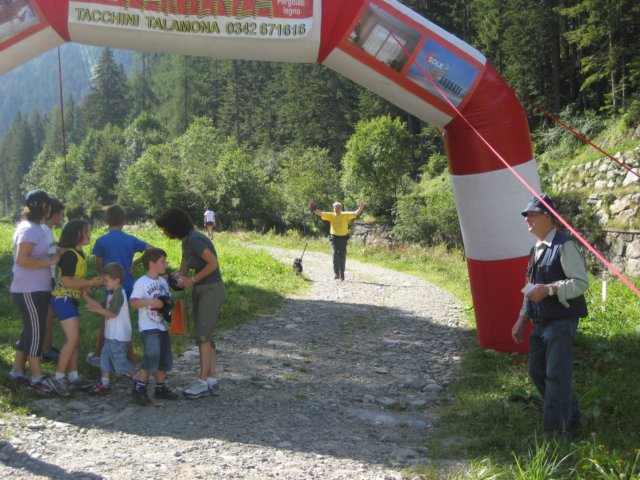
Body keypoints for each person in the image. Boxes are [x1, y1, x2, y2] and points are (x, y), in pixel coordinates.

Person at [511, 193, 589, 440]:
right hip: (540, 321)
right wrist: (522, 318)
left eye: (531, 214)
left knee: (556, 376)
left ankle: (556, 435)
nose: (527, 219)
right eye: (526, 215)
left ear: (548, 217)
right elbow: (530, 287)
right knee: (537, 372)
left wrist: (551, 289)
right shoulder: (535, 249)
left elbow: (581, 283)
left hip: (561, 321)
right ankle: (573, 417)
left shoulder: (565, 246)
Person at [156, 207, 225, 399]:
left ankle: (202, 382)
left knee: (203, 335)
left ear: (173, 226)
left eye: (165, 228)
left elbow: (213, 263)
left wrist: (193, 280)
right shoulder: (186, 242)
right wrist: (159, 279)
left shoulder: (195, 239)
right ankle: (211, 380)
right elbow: (182, 273)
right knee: (206, 335)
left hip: (211, 289)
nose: (164, 232)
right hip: (202, 289)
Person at [8, 190, 63, 394]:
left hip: (36, 288)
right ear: (43, 206)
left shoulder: (34, 227)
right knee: (36, 332)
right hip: (29, 289)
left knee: (30, 330)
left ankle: (17, 371)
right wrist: (50, 260)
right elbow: (22, 259)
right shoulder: (29, 229)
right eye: (48, 205)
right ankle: (37, 377)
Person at [87, 204, 151, 367]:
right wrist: (137, 262)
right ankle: (121, 357)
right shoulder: (131, 239)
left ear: (106, 220)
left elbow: (99, 265)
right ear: (124, 221)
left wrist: (105, 277)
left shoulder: (102, 241)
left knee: (108, 319)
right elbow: (152, 249)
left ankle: (101, 355)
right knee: (123, 320)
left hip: (112, 288)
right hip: (128, 285)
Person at [50, 219, 103, 395]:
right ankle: (58, 379)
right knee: (72, 339)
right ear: (76, 234)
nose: (89, 234)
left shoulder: (79, 254)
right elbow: (66, 281)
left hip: (70, 299)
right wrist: (90, 283)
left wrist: (86, 290)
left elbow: (76, 281)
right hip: (62, 299)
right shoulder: (70, 255)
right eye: (86, 231)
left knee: (75, 339)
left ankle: (73, 376)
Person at [129, 248, 179, 405]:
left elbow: (167, 299)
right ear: (151, 263)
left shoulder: (162, 282)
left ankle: (160, 387)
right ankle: (140, 387)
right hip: (148, 326)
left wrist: (167, 303)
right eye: (162, 261)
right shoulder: (142, 282)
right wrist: (151, 302)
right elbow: (134, 302)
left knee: (164, 357)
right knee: (152, 355)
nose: (166, 264)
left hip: (162, 325)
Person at [83, 263, 137, 395]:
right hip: (111, 335)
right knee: (105, 359)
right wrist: (85, 295)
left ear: (116, 280)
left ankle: (139, 379)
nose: (104, 283)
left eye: (106, 280)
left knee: (120, 361)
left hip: (118, 336)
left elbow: (112, 314)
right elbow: (100, 306)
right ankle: (104, 383)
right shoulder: (112, 294)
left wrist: (96, 310)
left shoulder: (119, 294)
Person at [311, 199, 366, 281]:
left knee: (342, 255)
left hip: (343, 238)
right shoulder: (331, 215)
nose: (337, 209)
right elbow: (319, 213)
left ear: (341, 208)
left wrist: (361, 208)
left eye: (339, 208)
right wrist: (313, 206)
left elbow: (355, 213)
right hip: (334, 238)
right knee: (334, 254)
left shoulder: (345, 215)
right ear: (333, 208)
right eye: (335, 208)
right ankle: (336, 273)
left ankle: (342, 273)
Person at [41, 198, 65, 363]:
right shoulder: (43, 230)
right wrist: (60, 253)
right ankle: (46, 350)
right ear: (54, 214)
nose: (62, 217)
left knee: (51, 313)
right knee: (48, 315)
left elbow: (48, 249)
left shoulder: (48, 230)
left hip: (50, 276)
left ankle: (47, 345)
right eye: (61, 214)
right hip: (45, 277)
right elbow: (44, 255)